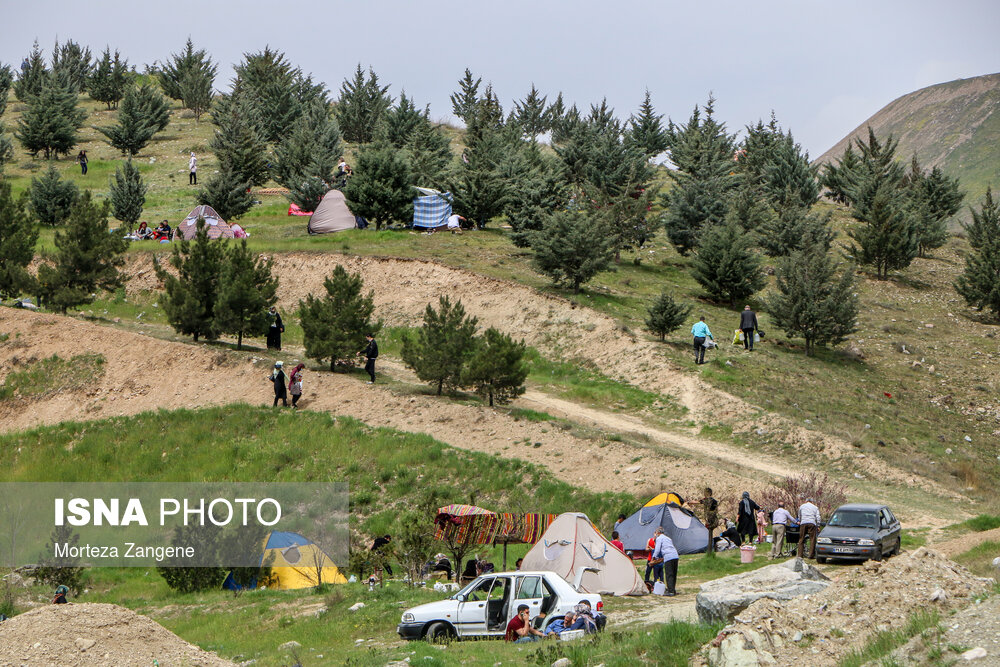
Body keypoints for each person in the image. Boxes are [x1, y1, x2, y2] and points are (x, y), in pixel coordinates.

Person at [651, 527, 679, 596]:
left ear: (658, 533)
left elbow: (657, 549)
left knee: (669, 574)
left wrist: (654, 558)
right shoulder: (668, 538)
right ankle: (673, 589)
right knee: (673, 573)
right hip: (675, 555)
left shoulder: (659, 538)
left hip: (668, 556)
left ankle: (670, 591)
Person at [696, 488, 720, 554]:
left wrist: (689, 503)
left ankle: (710, 549)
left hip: (709, 518)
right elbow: (716, 510)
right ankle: (713, 548)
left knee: (709, 534)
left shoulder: (706, 500)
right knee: (713, 535)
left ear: (707, 493)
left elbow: (698, 502)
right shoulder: (715, 501)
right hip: (714, 518)